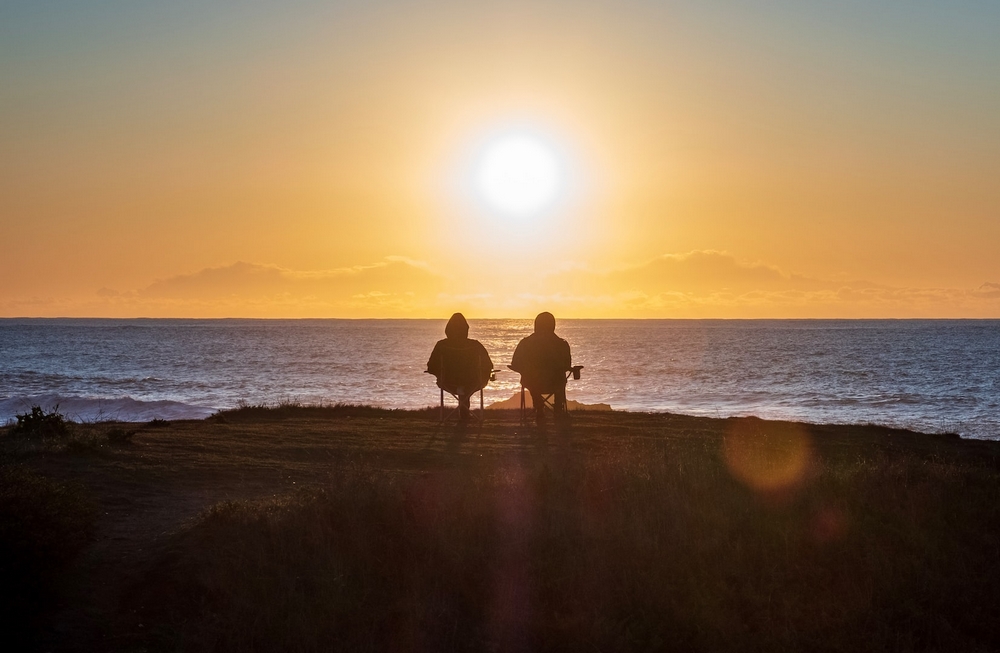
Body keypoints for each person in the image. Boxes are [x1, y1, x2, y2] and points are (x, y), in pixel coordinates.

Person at [426, 313, 494, 421]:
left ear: (448, 329)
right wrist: (487, 374)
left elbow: (431, 366)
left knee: (462, 386)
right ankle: (465, 413)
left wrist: (439, 374)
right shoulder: (475, 345)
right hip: (473, 381)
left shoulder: (441, 345)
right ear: (466, 329)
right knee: (467, 387)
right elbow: (488, 365)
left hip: (448, 382)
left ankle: (463, 411)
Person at [510, 311, 573, 423]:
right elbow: (567, 365)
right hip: (555, 383)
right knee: (560, 380)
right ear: (553, 326)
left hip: (533, 383)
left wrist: (523, 370)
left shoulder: (525, 343)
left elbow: (515, 364)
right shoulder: (561, 344)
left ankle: (539, 409)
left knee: (531, 380)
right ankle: (558, 408)